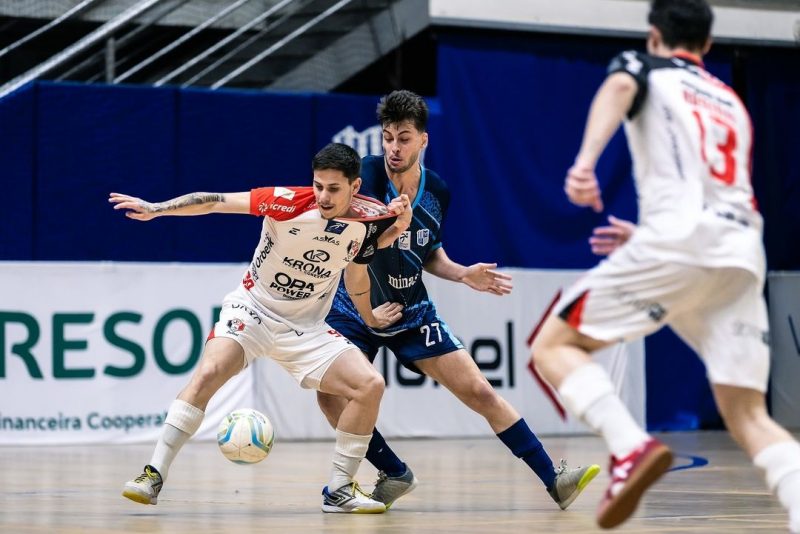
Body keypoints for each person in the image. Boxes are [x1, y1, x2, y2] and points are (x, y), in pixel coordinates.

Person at [531, 0, 800, 531]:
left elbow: (618, 88)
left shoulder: (645, 65)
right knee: (749, 415)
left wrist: (585, 163)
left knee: (553, 345)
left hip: (680, 243)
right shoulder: (731, 99)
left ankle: (629, 447)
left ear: (654, 36)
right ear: (707, 46)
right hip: (740, 254)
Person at [317, 89, 601, 511]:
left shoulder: (438, 192)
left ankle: (553, 479)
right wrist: (381, 237)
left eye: (405, 138)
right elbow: (344, 245)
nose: (394, 147)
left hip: (412, 311)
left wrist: (462, 273)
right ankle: (394, 472)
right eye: (388, 137)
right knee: (330, 394)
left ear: (424, 140)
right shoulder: (362, 179)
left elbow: (428, 253)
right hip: (356, 309)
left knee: (479, 391)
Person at [110, 142, 413, 514]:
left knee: (370, 386)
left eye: (333, 188)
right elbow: (214, 200)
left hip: (306, 328)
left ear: (355, 186)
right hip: (252, 310)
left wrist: (395, 230)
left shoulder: (370, 218)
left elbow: (356, 272)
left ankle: (339, 490)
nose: (323, 196)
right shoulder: (286, 201)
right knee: (210, 371)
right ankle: (152, 474)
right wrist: (158, 209)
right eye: (318, 185)